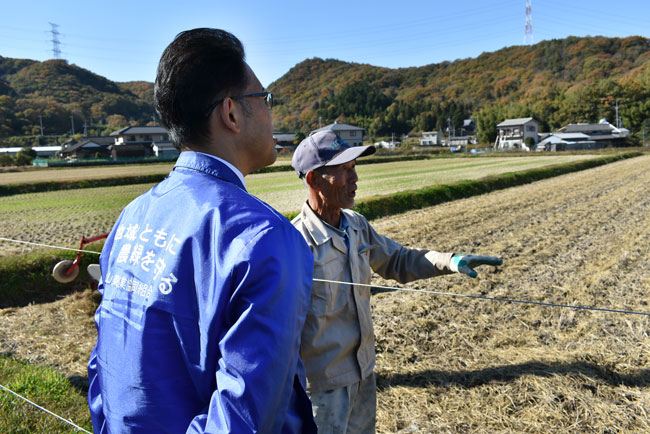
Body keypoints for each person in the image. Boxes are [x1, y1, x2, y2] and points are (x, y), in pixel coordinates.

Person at [87, 28, 317, 433]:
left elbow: (103, 361)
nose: (270, 111)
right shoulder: (265, 239)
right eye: (264, 99)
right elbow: (244, 417)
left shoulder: (132, 216)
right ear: (230, 113)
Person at [291, 130, 503, 433]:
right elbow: (282, 331)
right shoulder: (295, 243)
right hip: (322, 391)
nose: (355, 179)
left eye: (354, 168)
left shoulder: (356, 225)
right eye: (343, 170)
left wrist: (451, 261)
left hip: (364, 374)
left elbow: (397, 261)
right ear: (313, 179)